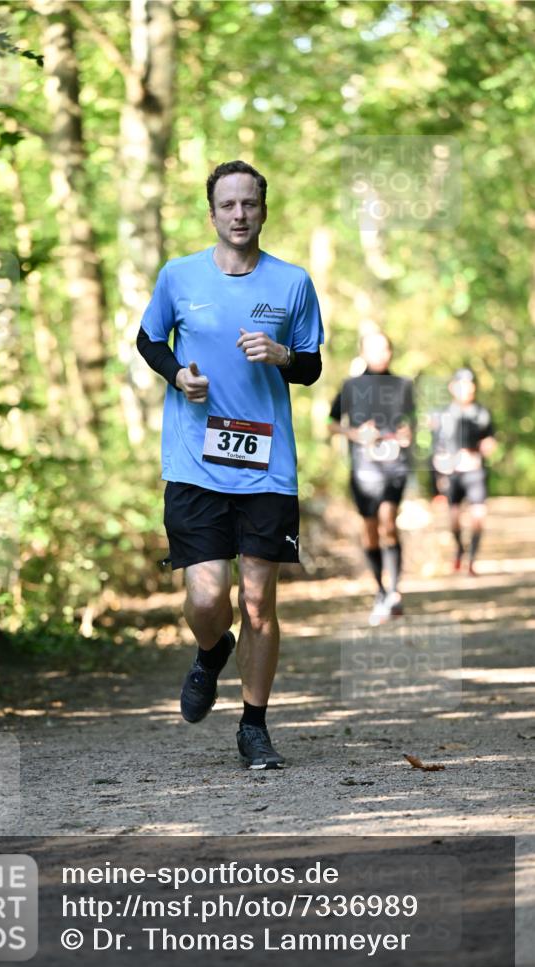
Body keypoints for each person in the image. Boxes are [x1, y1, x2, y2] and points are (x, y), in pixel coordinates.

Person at [137, 160, 324, 769]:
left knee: (258, 603)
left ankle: (254, 726)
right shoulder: (178, 275)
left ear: (264, 211)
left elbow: (312, 367)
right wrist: (177, 375)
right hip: (195, 462)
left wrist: (281, 354)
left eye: (249, 204)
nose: (239, 214)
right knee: (207, 598)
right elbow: (148, 340)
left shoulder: (292, 282)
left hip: (268, 466)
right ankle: (210, 652)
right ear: (212, 213)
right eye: (228, 205)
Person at [329, 331, 414, 626]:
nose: (380, 354)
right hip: (363, 468)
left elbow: (412, 423)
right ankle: (380, 589)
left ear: (391, 351)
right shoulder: (351, 386)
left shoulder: (404, 385)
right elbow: (331, 425)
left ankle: (395, 590)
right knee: (371, 529)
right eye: (373, 349)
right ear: (362, 352)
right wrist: (355, 434)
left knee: (389, 521)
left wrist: (407, 434)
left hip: (395, 466)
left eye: (385, 348)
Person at [430, 368, 496, 575]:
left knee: (478, 516)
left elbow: (491, 438)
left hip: (475, 471)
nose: (466, 389)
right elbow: (435, 449)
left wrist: (487, 446)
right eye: (461, 384)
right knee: (454, 518)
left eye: (470, 384)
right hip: (453, 473)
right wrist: (439, 475)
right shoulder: (442, 414)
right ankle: (459, 550)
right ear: (452, 387)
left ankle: (472, 560)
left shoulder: (482, 413)